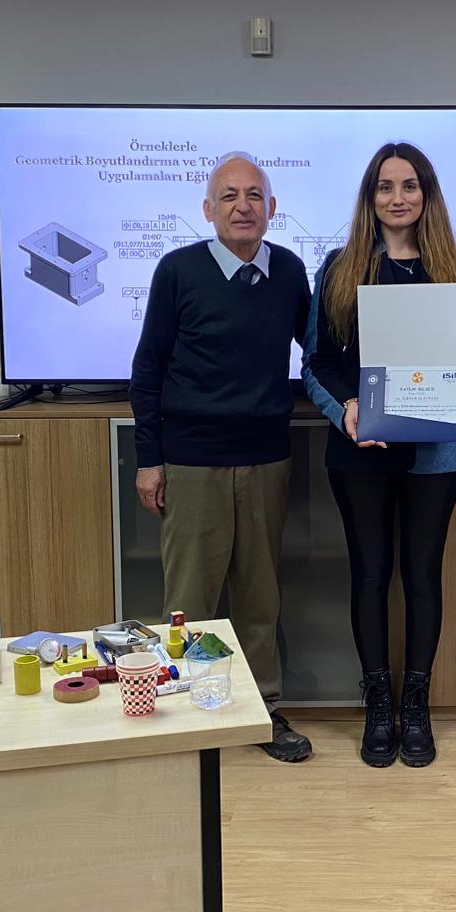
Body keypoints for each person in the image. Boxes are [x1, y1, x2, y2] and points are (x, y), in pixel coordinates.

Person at [302, 141, 456, 769]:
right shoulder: (340, 266)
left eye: (409, 186)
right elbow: (317, 361)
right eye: (385, 186)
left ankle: (416, 707)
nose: (397, 198)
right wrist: (346, 409)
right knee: (371, 574)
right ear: (369, 197)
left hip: (436, 449)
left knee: (423, 574)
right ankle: (379, 707)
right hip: (361, 446)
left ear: (427, 194)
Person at [130, 151, 313, 762]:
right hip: (192, 461)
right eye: (229, 196)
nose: (242, 206)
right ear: (208, 209)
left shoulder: (289, 271)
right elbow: (147, 369)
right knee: (190, 603)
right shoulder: (178, 270)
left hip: (266, 460)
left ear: (272, 208)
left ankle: (262, 712)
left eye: (254, 195)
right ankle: (188, 719)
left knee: (260, 599)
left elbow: (319, 350)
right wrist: (149, 460)